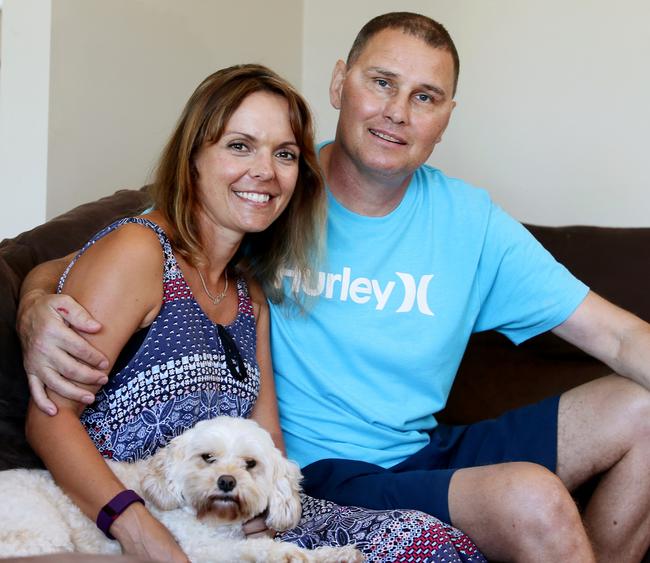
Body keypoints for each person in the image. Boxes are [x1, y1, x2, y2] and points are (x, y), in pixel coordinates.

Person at [18, 12, 650, 563]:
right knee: (532, 497)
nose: (398, 112)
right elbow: (116, 251)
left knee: (642, 407)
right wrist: (35, 303)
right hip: (320, 471)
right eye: (382, 82)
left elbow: (620, 335)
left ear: (447, 118)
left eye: (426, 96)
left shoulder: (470, 222)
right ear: (339, 82)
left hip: (424, 453)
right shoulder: (272, 191)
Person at [17, 63, 485, 563]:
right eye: (239, 145)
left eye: (283, 154)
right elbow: (49, 420)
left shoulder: (249, 294)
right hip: (124, 514)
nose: (265, 171)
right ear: (194, 154)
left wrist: (270, 530)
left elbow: (269, 441)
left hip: (228, 527)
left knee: (428, 542)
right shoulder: (139, 251)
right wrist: (138, 531)